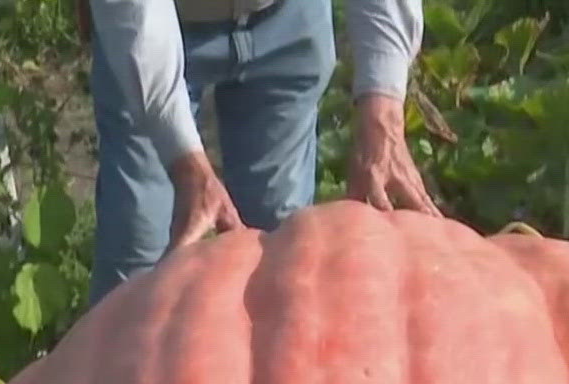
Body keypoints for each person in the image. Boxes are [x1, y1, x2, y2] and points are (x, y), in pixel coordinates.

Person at [81, 0, 441, 303]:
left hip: (287, 18)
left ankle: (261, 381)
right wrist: (186, 164)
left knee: (280, 251)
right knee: (137, 253)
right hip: (156, 23)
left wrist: (383, 109)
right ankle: (116, 381)